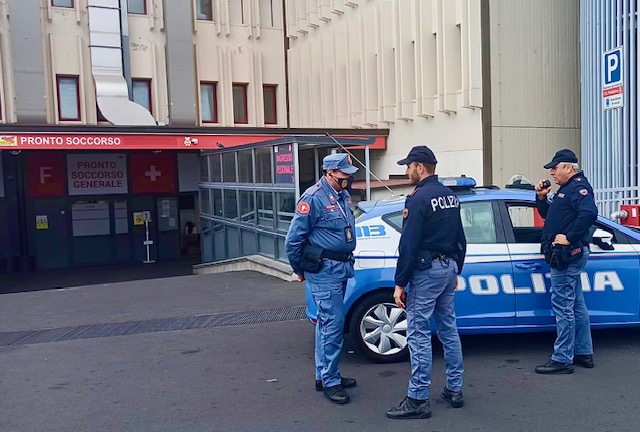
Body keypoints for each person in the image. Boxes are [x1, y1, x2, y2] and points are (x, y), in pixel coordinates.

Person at [386, 146, 467, 420]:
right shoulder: (450, 196)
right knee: (448, 328)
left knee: (418, 332)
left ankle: (418, 399)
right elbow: (460, 238)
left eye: (408, 166)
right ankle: (454, 389)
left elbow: (408, 244)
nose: (406, 171)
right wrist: (456, 270)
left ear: (420, 167)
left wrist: (400, 283)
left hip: (427, 271)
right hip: (447, 268)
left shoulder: (418, 199)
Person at [285, 153, 358, 405]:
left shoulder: (342, 196)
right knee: (333, 325)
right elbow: (293, 240)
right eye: (343, 174)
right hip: (324, 270)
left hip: (341, 267)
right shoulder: (313, 198)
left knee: (326, 325)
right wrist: (299, 269)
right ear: (329, 173)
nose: (348, 178)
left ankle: (324, 374)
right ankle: (330, 381)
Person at [534, 149, 598, 374]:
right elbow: (551, 217)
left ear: (568, 168)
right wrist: (541, 198)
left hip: (567, 255)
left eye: (555, 167)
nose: (552, 172)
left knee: (563, 307)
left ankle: (562, 359)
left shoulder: (578, 188)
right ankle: (584, 352)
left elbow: (589, 214)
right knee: (576, 305)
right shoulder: (566, 190)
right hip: (568, 255)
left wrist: (569, 237)